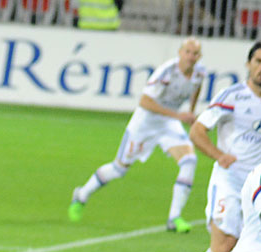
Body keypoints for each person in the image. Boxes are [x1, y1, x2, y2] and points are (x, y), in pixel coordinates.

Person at [169, 42, 261, 252]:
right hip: (229, 182)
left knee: (245, 247)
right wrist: (218, 155)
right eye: (258, 61)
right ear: (248, 64)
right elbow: (197, 131)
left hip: (257, 187)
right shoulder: (231, 96)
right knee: (224, 245)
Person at [69, 38, 205, 232]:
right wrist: (178, 115)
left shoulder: (200, 72)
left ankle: (174, 218)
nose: (191, 57)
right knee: (119, 168)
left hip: (168, 123)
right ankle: (81, 195)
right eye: (188, 52)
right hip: (146, 123)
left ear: (199, 56)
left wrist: (190, 111)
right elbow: (145, 102)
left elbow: (196, 88)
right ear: (180, 52)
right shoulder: (166, 72)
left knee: (189, 160)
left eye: (195, 53)